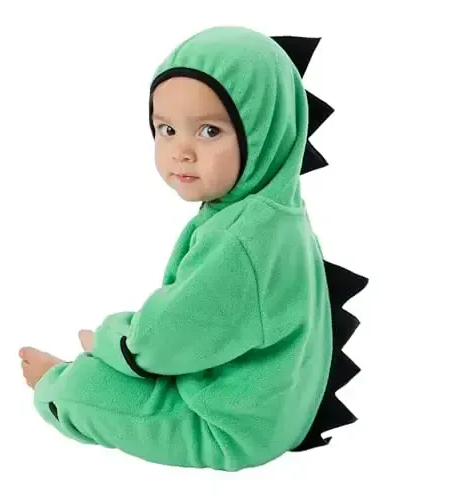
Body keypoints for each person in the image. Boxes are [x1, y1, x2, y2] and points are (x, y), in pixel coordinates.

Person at [19, 25, 368, 471]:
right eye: (166, 129)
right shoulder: (276, 210)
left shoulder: (241, 239)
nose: (181, 151)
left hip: (228, 429)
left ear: (264, 132)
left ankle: (53, 383)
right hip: (278, 407)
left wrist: (110, 344)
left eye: (208, 131)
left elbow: (163, 341)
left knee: (81, 389)